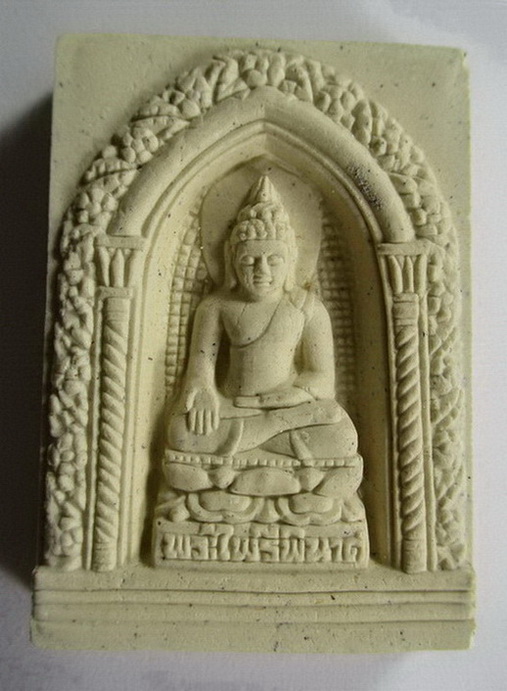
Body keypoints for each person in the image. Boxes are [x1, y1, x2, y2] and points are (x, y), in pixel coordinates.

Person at [167, 175, 357, 461]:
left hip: (288, 407)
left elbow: (322, 378)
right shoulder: (215, 306)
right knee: (180, 432)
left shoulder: (308, 307)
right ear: (232, 261)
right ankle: (276, 435)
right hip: (234, 406)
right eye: (249, 260)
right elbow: (201, 367)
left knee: (342, 436)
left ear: (291, 260)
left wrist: (294, 396)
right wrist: (204, 392)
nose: (262, 270)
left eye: (274, 260)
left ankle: (254, 439)